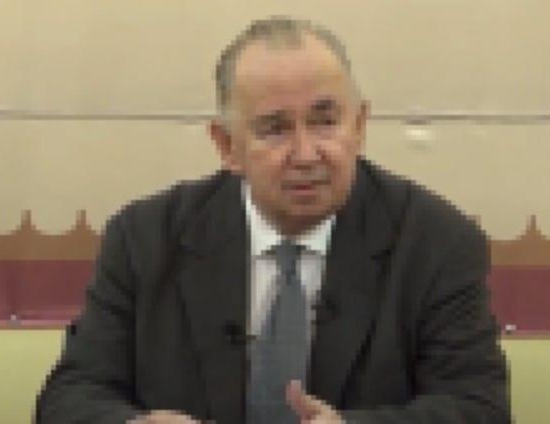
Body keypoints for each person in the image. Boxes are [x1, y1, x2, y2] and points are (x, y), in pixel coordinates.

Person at [36, 16, 511, 424]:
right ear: (227, 146)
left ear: (360, 125)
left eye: (325, 121)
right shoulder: (144, 238)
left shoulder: (436, 242)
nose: (305, 154)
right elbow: (69, 397)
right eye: (274, 129)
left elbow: (479, 407)